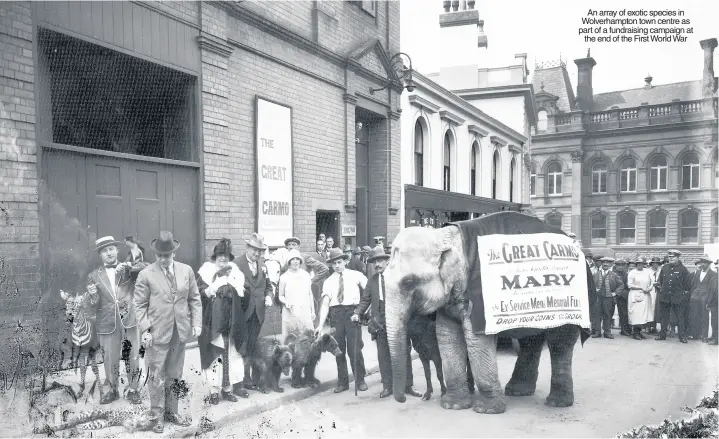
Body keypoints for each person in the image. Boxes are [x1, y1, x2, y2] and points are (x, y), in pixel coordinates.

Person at [134, 231, 201, 433]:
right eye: (160, 256)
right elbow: (138, 305)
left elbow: (194, 299)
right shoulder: (146, 274)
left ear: (174, 253)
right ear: (155, 255)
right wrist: (145, 329)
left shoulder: (186, 271)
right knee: (155, 376)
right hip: (156, 333)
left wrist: (196, 323)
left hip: (180, 332)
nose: (163, 259)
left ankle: (172, 412)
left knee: (175, 374)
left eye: (167, 255)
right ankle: (156, 417)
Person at [351, 247, 423, 399]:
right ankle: (387, 386)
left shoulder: (398, 277)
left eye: (380, 261)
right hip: (379, 322)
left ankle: (408, 385)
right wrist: (357, 312)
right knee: (383, 355)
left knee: (402, 353)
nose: (377, 264)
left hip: (398, 320)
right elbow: (365, 300)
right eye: (374, 262)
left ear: (386, 261)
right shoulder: (372, 281)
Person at [86, 236, 142, 405]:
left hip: (129, 318)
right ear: (100, 255)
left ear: (117, 250)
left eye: (111, 249)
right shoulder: (93, 276)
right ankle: (112, 390)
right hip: (107, 322)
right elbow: (91, 305)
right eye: (104, 251)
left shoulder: (127, 268)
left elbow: (145, 268)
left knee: (132, 355)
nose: (109, 253)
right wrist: (93, 295)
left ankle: (133, 390)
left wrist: (131, 266)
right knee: (110, 358)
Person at [196, 238, 248, 404]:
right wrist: (212, 288)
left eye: (226, 255)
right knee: (214, 356)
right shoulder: (205, 273)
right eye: (220, 255)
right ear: (215, 257)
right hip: (212, 323)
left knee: (231, 356)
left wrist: (240, 291)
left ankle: (227, 389)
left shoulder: (236, 274)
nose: (223, 258)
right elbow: (198, 295)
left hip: (232, 322)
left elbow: (245, 296)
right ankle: (213, 391)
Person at [316, 248, 368, 393]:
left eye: (339, 262)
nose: (337, 266)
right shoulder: (328, 281)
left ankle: (360, 380)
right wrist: (320, 325)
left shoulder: (356, 275)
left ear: (345, 261)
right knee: (338, 350)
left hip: (352, 314)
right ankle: (343, 382)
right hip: (336, 315)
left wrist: (362, 311)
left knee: (354, 349)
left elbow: (370, 291)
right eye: (334, 263)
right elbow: (325, 303)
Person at [236, 233, 274, 392]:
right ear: (247, 248)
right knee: (241, 346)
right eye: (254, 250)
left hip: (258, 313)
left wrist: (268, 296)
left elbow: (268, 286)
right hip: (242, 313)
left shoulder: (263, 266)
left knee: (252, 345)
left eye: (260, 251)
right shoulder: (236, 264)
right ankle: (241, 378)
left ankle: (249, 377)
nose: (257, 254)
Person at [655, 250, 692, 344]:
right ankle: (662, 335)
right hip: (665, 297)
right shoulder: (665, 268)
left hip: (678, 298)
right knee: (664, 317)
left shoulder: (683, 269)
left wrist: (683, 296)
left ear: (678, 258)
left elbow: (687, 286)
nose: (671, 258)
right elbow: (661, 282)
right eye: (670, 256)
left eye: (673, 257)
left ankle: (682, 336)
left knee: (680, 317)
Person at [278, 249, 315, 338]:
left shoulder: (306, 275)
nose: (295, 261)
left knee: (307, 339)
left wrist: (313, 311)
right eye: (293, 259)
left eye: (297, 259)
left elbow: (310, 294)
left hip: (304, 312)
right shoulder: (284, 277)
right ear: (289, 262)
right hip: (290, 313)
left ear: (300, 261)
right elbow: (280, 295)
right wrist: (286, 302)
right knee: (291, 341)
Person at [591, 257, 624, 339]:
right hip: (598, 298)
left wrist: (615, 293)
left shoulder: (614, 275)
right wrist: (594, 289)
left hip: (608, 298)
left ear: (610, 264)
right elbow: (590, 285)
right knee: (597, 315)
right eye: (603, 263)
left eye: (607, 263)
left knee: (608, 315)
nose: (605, 264)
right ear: (601, 264)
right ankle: (597, 332)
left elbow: (621, 285)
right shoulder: (595, 274)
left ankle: (607, 332)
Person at [688, 255, 717, 342]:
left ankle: (704, 336)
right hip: (695, 298)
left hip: (705, 298)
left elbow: (713, 289)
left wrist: (709, 300)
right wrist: (693, 294)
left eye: (704, 263)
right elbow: (693, 284)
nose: (702, 264)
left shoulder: (713, 274)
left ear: (709, 264)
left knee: (704, 317)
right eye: (702, 262)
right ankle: (695, 334)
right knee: (694, 316)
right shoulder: (698, 272)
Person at [627, 258, 653, 340]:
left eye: (642, 263)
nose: (640, 265)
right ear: (636, 264)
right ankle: (635, 333)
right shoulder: (632, 273)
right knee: (636, 314)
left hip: (645, 295)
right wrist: (641, 287)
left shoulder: (647, 272)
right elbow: (629, 285)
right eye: (638, 263)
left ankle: (639, 331)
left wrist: (650, 287)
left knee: (643, 315)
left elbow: (652, 281)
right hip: (635, 295)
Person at [613, 259, 631, 336]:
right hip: (618, 295)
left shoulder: (626, 274)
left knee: (625, 313)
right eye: (618, 265)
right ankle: (623, 330)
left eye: (622, 265)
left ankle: (626, 329)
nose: (620, 267)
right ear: (616, 266)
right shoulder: (613, 274)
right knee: (621, 313)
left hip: (625, 296)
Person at [646, 257, 662, 334]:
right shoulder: (647, 271)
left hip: (658, 292)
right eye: (654, 263)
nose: (655, 265)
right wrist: (652, 284)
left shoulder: (660, 271)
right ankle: (648, 327)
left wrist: (659, 285)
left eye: (657, 263)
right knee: (649, 308)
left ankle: (654, 327)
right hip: (649, 291)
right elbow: (645, 281)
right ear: (651, 264)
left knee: (656, 308)